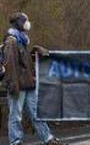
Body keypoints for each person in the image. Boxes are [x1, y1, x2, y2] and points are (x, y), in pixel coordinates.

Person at [2, 13, 61, 145]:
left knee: (36, 113)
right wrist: (13, 85)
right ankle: (16, 141)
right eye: (25, 21)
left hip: (28, 83)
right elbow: (10, 64)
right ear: (19, 23)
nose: (27, 23)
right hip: (18, 85)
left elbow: (22, 62)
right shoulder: (11, 41)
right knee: (16, 116)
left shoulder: (21, 40)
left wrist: (33, 54)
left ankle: (47, 138)